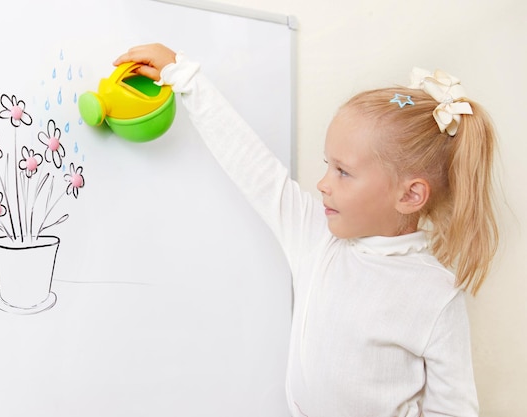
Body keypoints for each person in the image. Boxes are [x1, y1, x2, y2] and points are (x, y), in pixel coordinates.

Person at [113, 43, 499, 417]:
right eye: (327, 164)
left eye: (343, 172)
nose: (323, 183)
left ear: (410, 195)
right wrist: (184, 76)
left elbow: (454, 409)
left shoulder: (434, 294)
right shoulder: (318, 237)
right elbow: (255, 168)